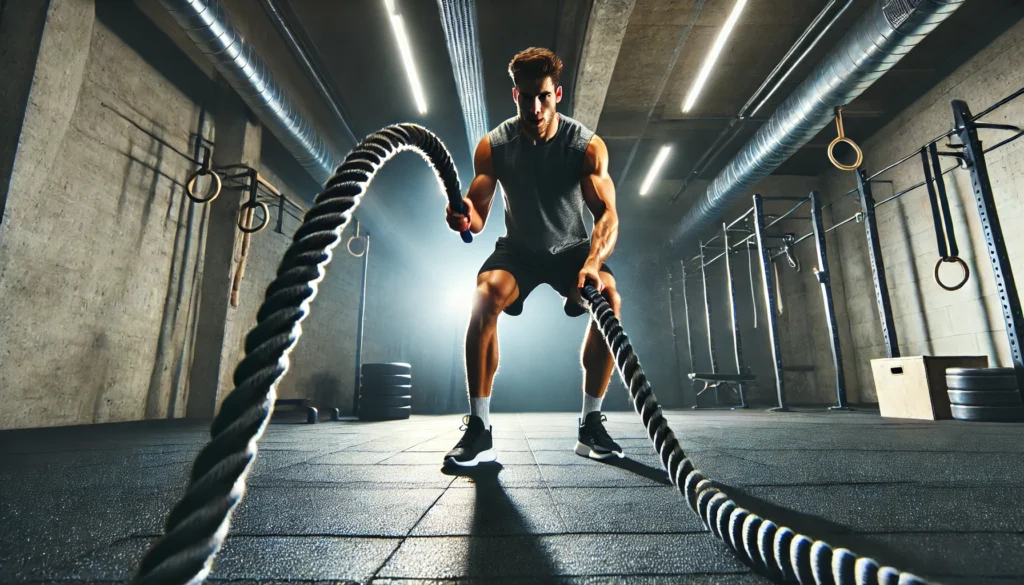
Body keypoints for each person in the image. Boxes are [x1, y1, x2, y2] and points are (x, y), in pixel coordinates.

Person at [443, 47, 623, 467]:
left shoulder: (586, 147)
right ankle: (479, 428)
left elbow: (607, 215)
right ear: (516, 96)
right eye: (527, 97)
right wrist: (462, 216)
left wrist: (592, 263)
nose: (535, 108)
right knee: (484, 297)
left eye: (543, 96)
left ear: (557, 94)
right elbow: (478, 216)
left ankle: (590, 424)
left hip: (572, 250)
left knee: (609, 299)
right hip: (519, 250)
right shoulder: (495, 146)